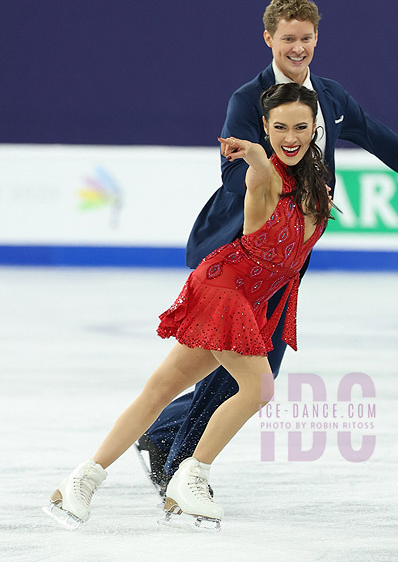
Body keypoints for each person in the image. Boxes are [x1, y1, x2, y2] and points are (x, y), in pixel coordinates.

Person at [137, 0, 398, 491]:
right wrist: (279, 177)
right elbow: (234, 177)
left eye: (307, 38)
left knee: (258, 368)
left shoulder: (331, 98)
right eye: (288, 38)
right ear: (269, 38)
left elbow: (379, 136)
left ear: (317, 38)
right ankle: (179, 466)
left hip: (289, 258)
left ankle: (163, 436)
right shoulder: (247, 101)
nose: (298, 48)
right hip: (241, 253)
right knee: (250, 370)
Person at [44, 83, 337, 531]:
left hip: (240, 295)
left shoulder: (314, 180)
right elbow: (261, 165)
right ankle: (191, 475)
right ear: (265, 127)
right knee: (259, 389)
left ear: (315, 127)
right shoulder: (265, 174)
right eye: (279, 128)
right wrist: (255, 153)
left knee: (160, 389)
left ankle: (80, 481)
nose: (290, 137)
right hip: (225, 293)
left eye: (300, 127)